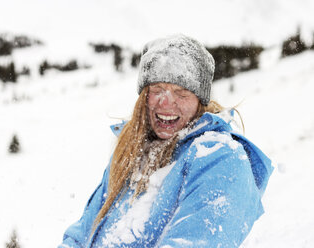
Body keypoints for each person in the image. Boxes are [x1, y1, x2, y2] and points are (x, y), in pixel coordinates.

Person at [58, 34, 273, 248]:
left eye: (181, 92)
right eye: (157, 90)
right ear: (144, 96)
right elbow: (81, 234)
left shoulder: (220, 158)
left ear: (200, 101)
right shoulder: (131, 153)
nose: (166, 102)